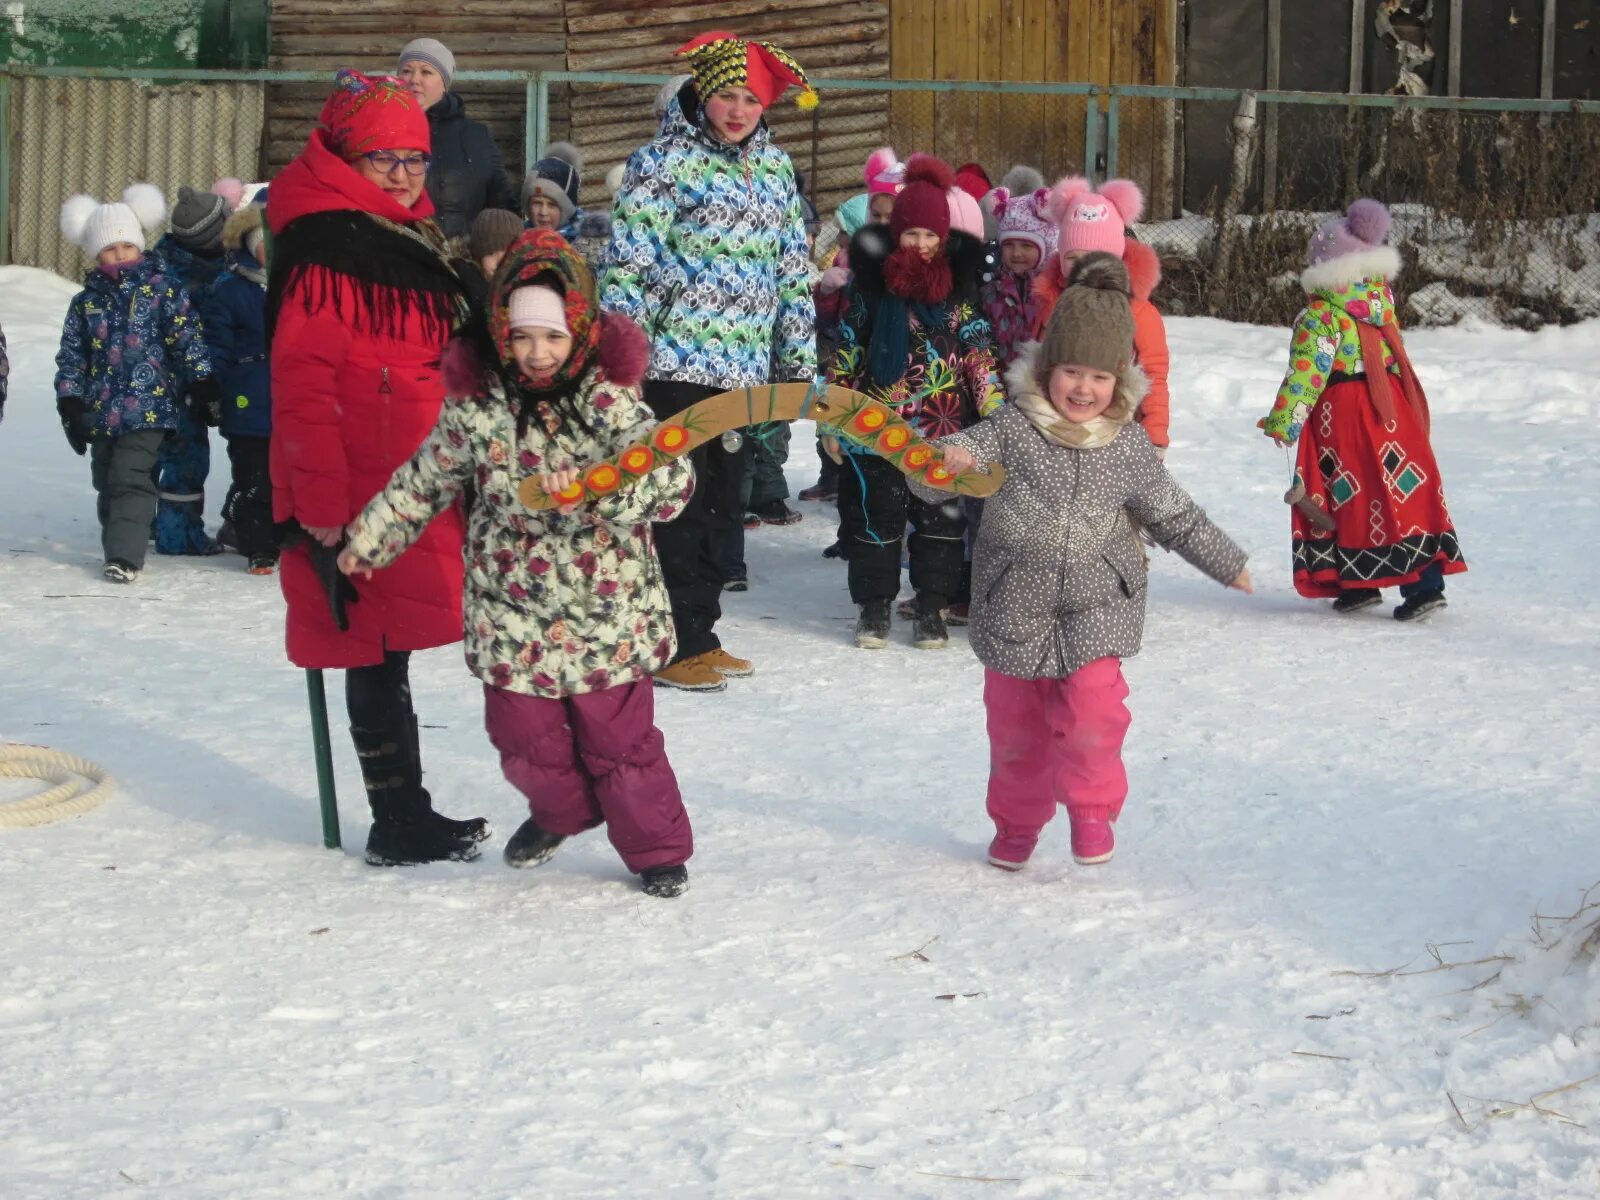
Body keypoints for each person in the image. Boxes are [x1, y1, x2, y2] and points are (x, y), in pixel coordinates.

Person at [340, 230, 696, 898]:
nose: (537, 353)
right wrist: (373, 536)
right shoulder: (477, 405)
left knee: (620, 743)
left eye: (554, 338)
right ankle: (563, 814)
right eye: (524, 337)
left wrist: (605, 485)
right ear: (501, 331)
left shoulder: (607, 400)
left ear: (581, 333)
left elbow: (669, 481)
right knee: (521, 734)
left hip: (605, 605)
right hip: (510, 603)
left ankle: (658, 851)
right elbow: (426, 478)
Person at [934, 253, 1253, 871]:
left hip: (1099, 603)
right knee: (1015, 734)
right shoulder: (1010, 428)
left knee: (1094, 714)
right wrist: (945, 461)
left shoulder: (1128, 445)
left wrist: (1226, 561)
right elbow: (943, 470)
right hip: (1012, 603)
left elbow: (1173, 514)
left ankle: (1090, 807)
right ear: (1047, 369)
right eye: (1072, 372)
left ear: (1122, 381)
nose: (1084, 389)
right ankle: (1019, 824)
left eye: (1100, 377)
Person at [266, 68, 487, 866]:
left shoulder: (404, 238)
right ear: (345, 159)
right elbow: (303, 388)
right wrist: (320, 504)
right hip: (358, 483)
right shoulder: (328, 249)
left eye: (414, 159)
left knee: (386, 646)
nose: (402, 174)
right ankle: (396, 818)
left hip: (410, 476)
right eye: (383, 159)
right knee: (367, 645)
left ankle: (408, 811)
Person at [602, 30, 818, 692]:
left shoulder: (776, 169)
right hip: (672, 365)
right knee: (678, 506)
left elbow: (791, 269)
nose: (737, 110)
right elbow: (627, 267)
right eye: (726, 95)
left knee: (725, 507)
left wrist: (797, 359)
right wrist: (623, 362)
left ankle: (701, 631)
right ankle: (671, 641)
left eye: (751, 99)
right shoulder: (659, 164)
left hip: (744, 372)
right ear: (702, 93)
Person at [825, 153, 1002, 652]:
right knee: (875, 519)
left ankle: (932, 606)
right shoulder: (871, 293)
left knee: (938, 525)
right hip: (874, 427)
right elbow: (847, 354)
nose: (921, 245)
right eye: (911, 235)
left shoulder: (959, 297)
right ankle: (874, 607)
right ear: (896, 235)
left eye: (931, 236)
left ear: (943, 240)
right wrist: (833, 423)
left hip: (942, 430)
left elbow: (980, 360)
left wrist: (996, 419)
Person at [1260, 199, 1465, 620]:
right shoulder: (1380, 308)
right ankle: (1421, 585)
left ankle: (1360, 582)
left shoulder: (1321, 316)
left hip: (1346, 415)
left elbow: (1308, 372)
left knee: (1350, 494)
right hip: (1392, 412)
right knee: (1397, 493)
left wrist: (1285, 420)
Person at [55, 185, 217, 583]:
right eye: (110, 249)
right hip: (102, 410)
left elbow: (186, 337)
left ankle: (124, 557)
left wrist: (202, 380)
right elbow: (72, 357)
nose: (120, 255)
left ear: (140, 247)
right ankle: (127, 529)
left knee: (131, 476)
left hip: (151, 406)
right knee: (107, 479)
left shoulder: (163, 290)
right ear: (96, 254)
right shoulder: (85, 304)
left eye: (128, 246)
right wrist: (70, 404)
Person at [1032, 178, 1171, 456]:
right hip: (1055, 429)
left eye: (1097, 256)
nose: (1084, 266)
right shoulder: (1052, 302)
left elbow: (1153, 374)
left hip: (1116, 431)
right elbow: (1036, 359)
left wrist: (1154, 435)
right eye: (1074, 257)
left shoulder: (1138, 312)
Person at [152, 182, 236, 556]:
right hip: (184, 382)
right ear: (212, 237)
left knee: (154, 456)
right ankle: (179, 536)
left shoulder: (159, 261)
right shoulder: (202, 279)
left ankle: (147, 522)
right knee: (186, 459)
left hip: (149, 383)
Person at [202, 195, 277, 575]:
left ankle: (269, 532)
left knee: (288, 475)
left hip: (292, 400)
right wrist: (211, 383)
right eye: (266, 243)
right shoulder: (230, 289)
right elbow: (217, 343)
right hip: (248, 399)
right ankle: (259, 546)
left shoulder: (301, 286)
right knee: (253, 476)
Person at [395, 38, 518, 244]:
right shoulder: (385, 131)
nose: (414, 79)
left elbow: (502, 205)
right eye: (407, 71)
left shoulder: (475, 136)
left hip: (464, 261)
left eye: (426, 72)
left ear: (444, 83)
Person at [982, 186, 1057, 371]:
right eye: (1009, 245)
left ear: (1046, 247)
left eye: (1026, 246)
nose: (1016, 253)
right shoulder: (992, 291)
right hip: (1002, 383)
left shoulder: (1055, 292)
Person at [456, 207, 524, 317]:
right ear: (477, 255)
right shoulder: (466, 291)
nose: (499, 261)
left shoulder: (525, 290)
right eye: (491, 252)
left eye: (507, 253)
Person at [520, 142, 584, 238]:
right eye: (537, 203)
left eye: (552, 205)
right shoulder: (519, 240)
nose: (543, 212)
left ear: (567, 209)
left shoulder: (586, 245)